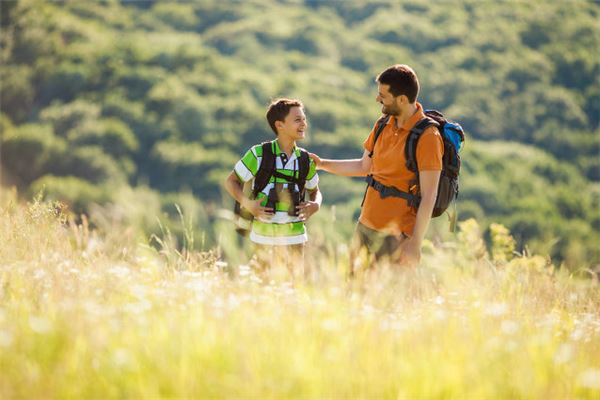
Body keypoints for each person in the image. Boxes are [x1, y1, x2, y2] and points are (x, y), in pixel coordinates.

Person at [310, 64, 443, 271]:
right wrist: (322, 164)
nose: (377, 99)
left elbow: (429, 195)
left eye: (383, 95)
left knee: (387, 299)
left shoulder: (428, 137)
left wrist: (415, 243)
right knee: (352, 291)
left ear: (401, 99)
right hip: (365, 226)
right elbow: (364, 166)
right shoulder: (383, 124)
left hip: (397, 235)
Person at [224, 98, 321, 280]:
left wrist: (315, 205)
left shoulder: (305, 160)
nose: (304, 124)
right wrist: (248, 205)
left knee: (291, 288)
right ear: (280, 125)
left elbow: (315, 191)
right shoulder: (259, 154)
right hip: (263, 236)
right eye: (297, 120)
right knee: (263, 287)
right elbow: (231, 181)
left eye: (304, 119)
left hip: (296, 237)